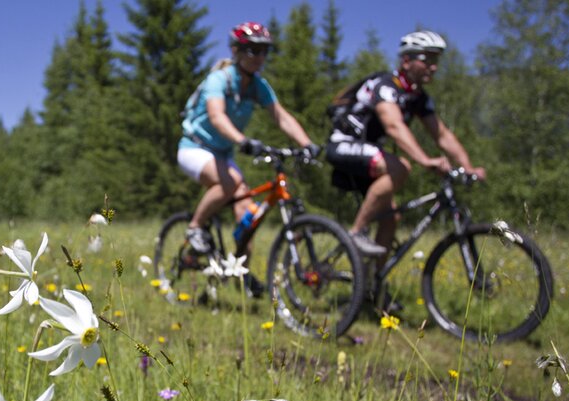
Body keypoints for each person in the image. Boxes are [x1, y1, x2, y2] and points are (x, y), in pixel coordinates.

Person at [178, 21, 319, 294]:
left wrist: (307, 144)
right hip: (193, 148)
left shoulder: (258, 85)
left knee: (249, 218)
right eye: (253, 50)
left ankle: (237, 274)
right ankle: (195, 227)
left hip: (222, 153)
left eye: (264, 51)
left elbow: (281, 116)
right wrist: (243, 141)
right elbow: (217, 117)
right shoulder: (219, 79)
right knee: (230, 182)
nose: (260, 57)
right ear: (237, 51)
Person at [325, 30, 486, 259]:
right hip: (343, 144)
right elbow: (394, 126)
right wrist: (425, 160)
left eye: (436, 60)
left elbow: (442, 136)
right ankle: (356, 232)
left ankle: (372, 290)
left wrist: (468, 167)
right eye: (427, 59)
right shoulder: (386, 85)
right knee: (400, 167)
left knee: (391, 220)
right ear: (406, 60)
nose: (433, 67)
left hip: (370, 155)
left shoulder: (419, 98)